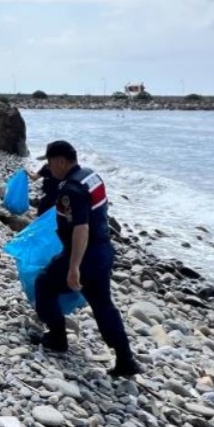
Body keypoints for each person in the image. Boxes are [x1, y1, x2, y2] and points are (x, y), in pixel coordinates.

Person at [32, 140, 140, 378]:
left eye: (50, 164)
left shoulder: (71, 189)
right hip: (103, 251)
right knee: (103, 304)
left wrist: (73, 267)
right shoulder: (91, 176)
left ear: (61, 161)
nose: (49, 169)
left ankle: (57, 338)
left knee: (44, 284)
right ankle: (126, 359)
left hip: (84, 254)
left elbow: (81, 228)